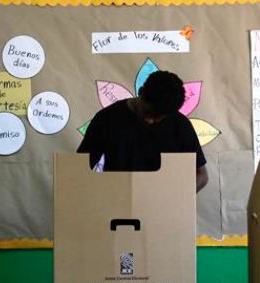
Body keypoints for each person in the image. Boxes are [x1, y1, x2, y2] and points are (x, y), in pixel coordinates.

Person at [77, 70, 208, 192]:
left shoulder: (180, 124)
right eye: (147, 112)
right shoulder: (107, 119)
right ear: (141, 92)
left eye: (158, 118)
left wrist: (177, 197)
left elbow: (201, 175)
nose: (150, 121)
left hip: (164, 210)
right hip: (117, 206)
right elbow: (78, 168)